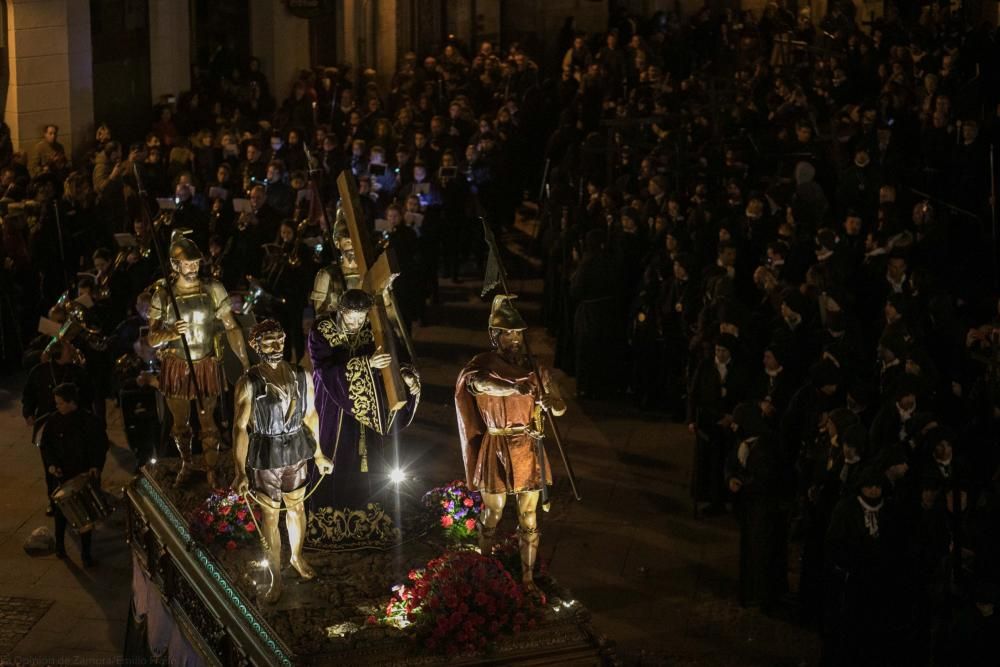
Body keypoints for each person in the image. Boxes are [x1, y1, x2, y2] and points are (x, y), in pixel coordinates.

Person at [455, 295, 566, 592]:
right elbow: (480, 385)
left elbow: (559, 407)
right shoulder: (483, 365)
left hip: (527, 447)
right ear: (495, 336)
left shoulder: (536, 368)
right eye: (507, 333)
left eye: (518, 333)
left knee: (529, 516)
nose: (514, 339)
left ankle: (528, 579)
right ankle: (484, 566)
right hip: (497, 445)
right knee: (493, 511)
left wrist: (548, 400)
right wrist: (513, 388)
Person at [307, 288, 420, 549]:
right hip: (334, 404)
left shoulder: (374, 326)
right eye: (352, 319)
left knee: (370, 452)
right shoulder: (321, 329)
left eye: (361, 318)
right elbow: (324, 368)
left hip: (369, 406)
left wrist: (405, 377)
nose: (357, 324)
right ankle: (330, 518)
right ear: (341, 312)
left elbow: (395, 355)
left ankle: (373, 512)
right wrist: (366, 365)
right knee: (336, 451)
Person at [232, 320, 333, 602]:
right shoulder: (249, 382)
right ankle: (275, 574)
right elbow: (240, 428)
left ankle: (297, 557)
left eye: (279, 339)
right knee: (270, 515)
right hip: (266, 454)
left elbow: (311, 415)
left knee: (297, 507)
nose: (275, 346)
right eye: (268, 341)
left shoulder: (301, 375)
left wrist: (319, 453)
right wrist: (239, 470)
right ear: (256, 346)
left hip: (296, 449)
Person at [147, 232, 249, 487]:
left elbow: (231, 326)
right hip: (177, 364)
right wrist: (170, 332)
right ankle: (187, 463)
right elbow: (151, 338)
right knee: (180, 422)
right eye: (187, 264)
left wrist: (245, 362)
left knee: (208, 419)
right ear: (175, 265)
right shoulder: (163, 294)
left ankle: (211, 468)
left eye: (195, 263)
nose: (193, 269)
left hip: (205, 362)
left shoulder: (212, 288)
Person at [38, 382, 108, 566]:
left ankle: (86, 554)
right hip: (63, 474)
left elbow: (99, 446)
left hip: (83, 475)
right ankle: (60, 546)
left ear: (71, 402)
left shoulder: (89, 422)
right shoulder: (54, 421)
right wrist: (52, 465)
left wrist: (95, 465)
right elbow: (46, 446)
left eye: (60, 403)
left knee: (86, 516)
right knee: (61, 514)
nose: (57, 406)